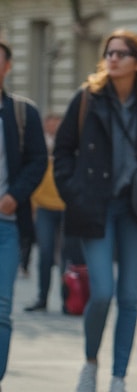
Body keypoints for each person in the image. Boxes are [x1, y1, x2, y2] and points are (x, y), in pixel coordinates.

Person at [54, 29, 137, 392]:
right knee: (102, 291)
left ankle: (119, 377)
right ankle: (90, 362)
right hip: (96, 206)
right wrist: (74, 193)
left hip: (134, 210)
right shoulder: (87, 99)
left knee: (129, 298)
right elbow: (62, 152)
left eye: (121, 54)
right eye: (109, 53)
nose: (113, 59)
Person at [0, 40, 49, 388]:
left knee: (1, 309)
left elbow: (37, 161)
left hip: (7, 224)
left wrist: (15, 196)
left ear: (7, 67)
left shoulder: (21, 113)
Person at [25, 113, 65, 313]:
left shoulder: (67, 145)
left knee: (67, 256)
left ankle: (68, 299)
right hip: (44, 207)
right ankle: (42, 298)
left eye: (57, 122)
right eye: (50, 122)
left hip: (66, 207)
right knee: (45, 254)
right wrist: (33, 204)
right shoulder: (38, 144)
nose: (54, 125)